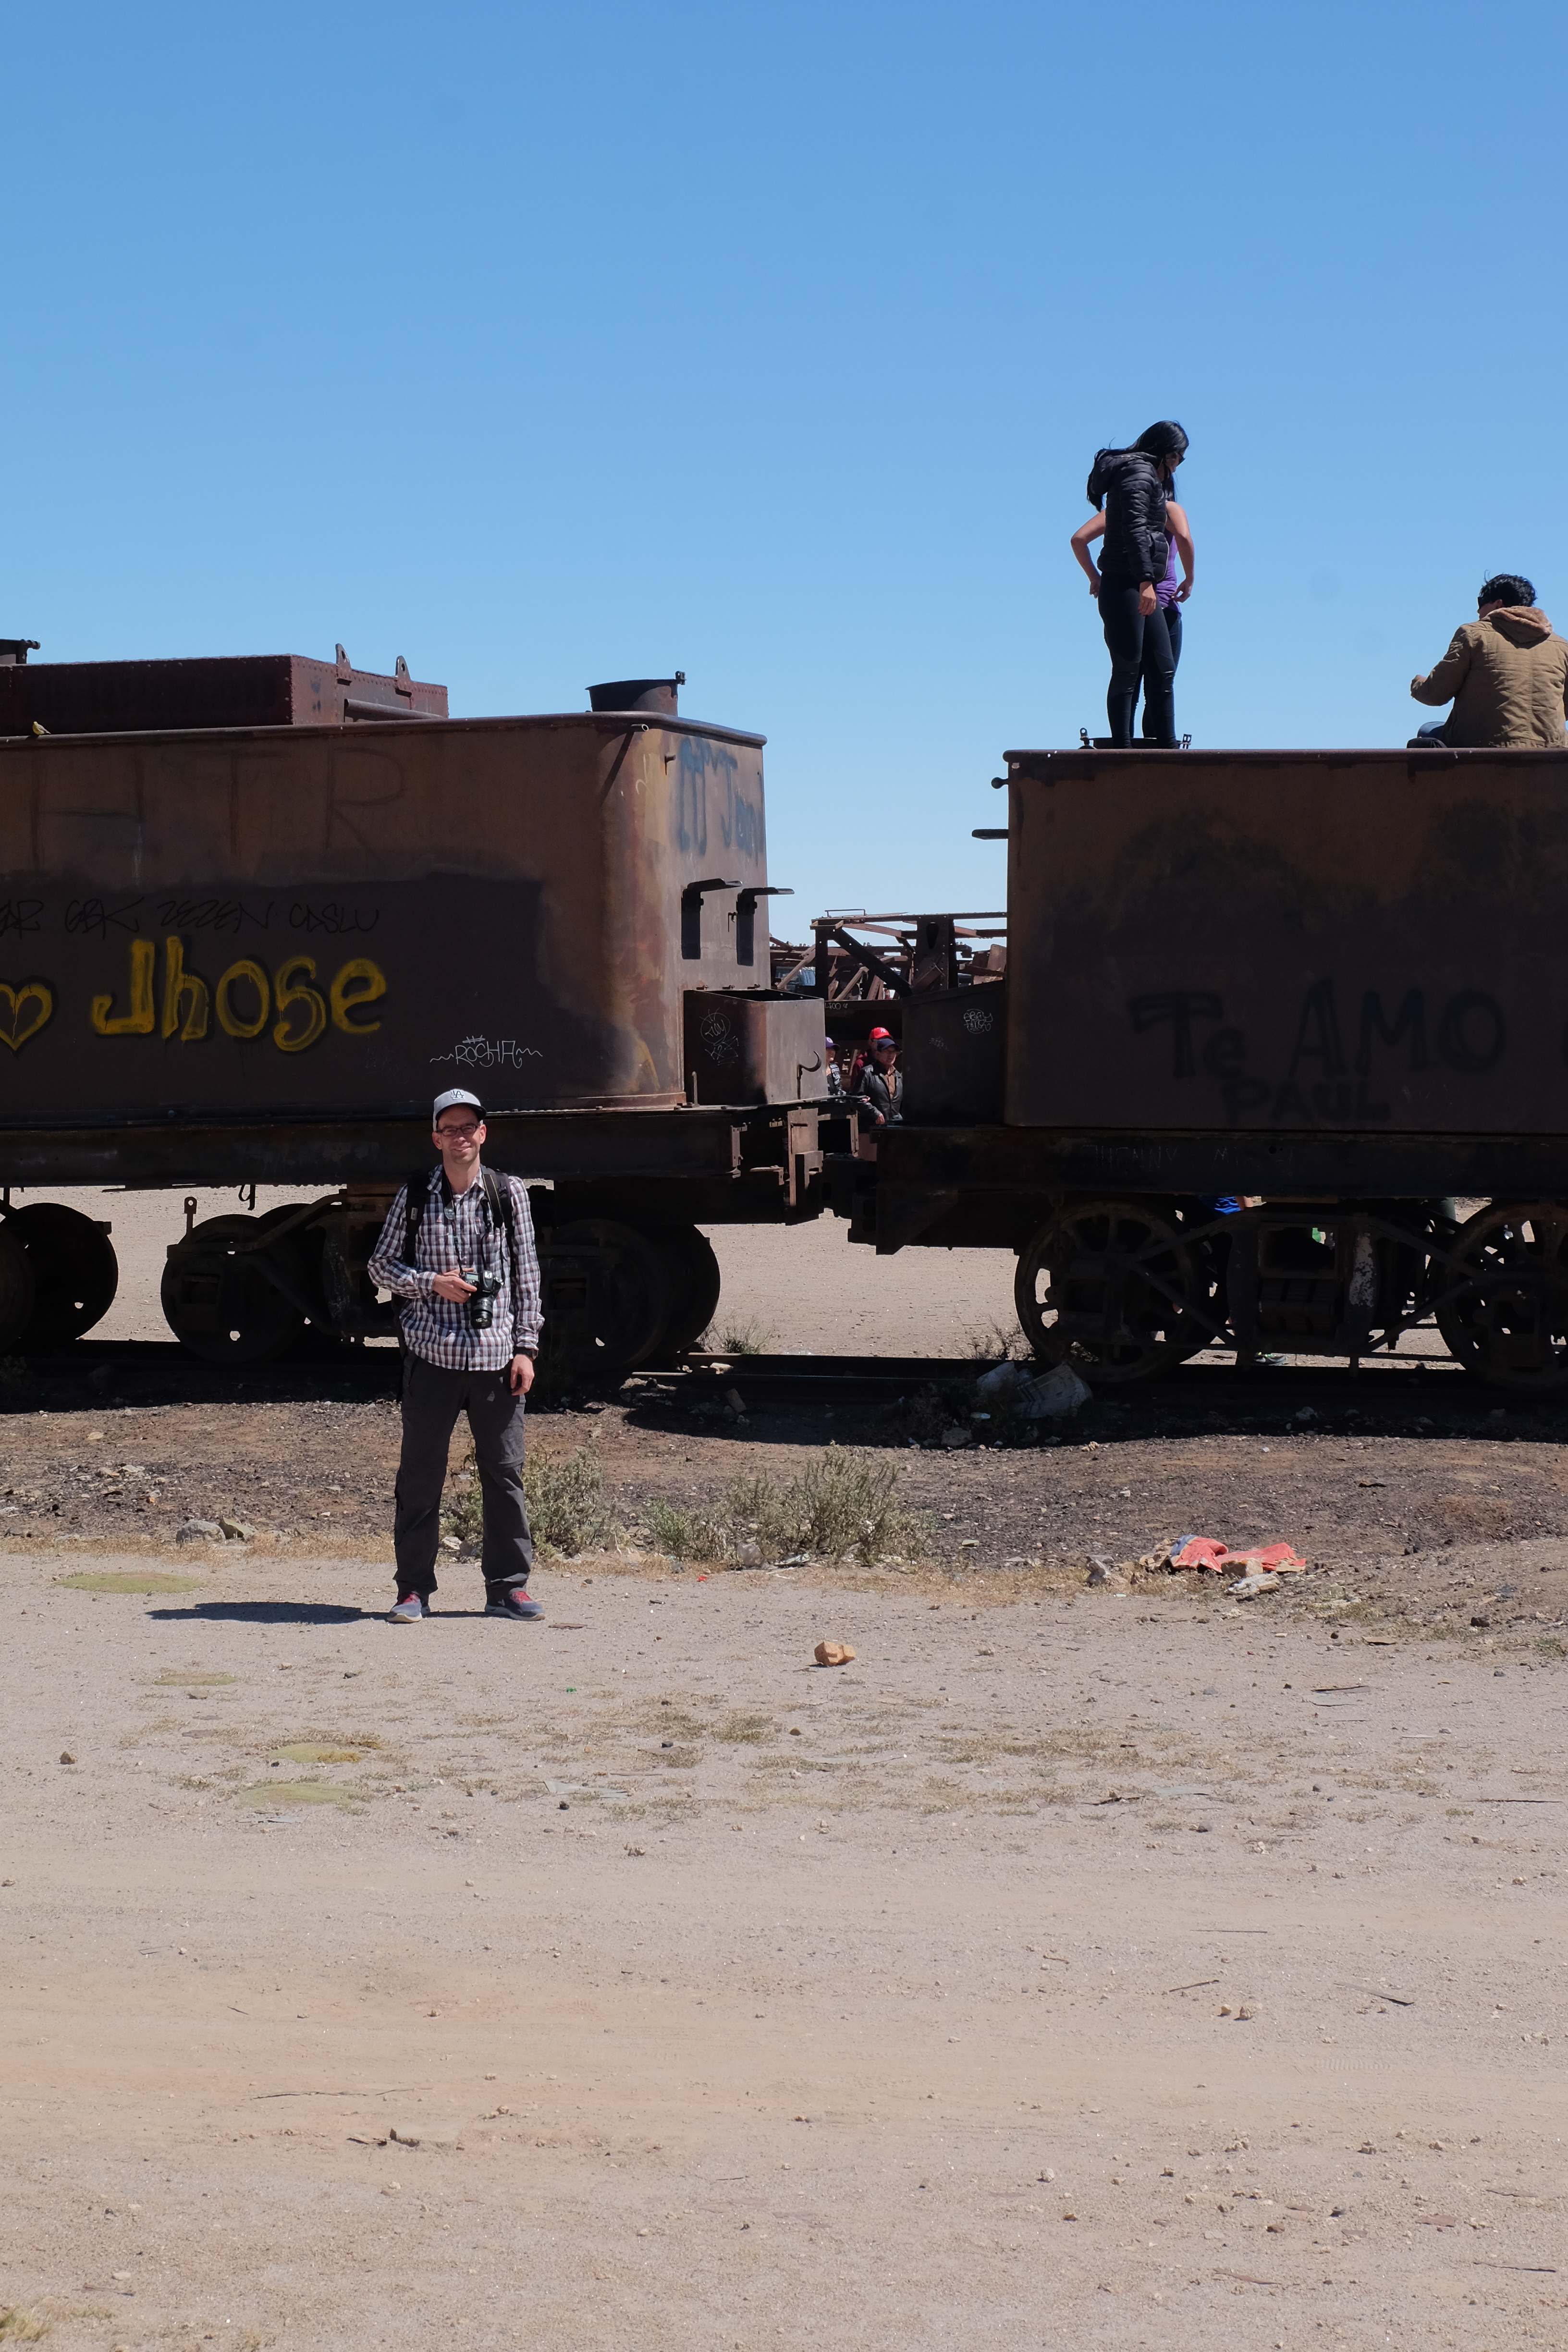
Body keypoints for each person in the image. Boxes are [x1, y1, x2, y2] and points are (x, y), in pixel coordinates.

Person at [368, 1088, 544, 1624]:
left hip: (496, 1360)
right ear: (436, 1138)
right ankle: (413, 1591)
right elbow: (379, 1267)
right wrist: (431, 1282)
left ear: (483, 1134)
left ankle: (508, 1589)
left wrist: (526, 1348)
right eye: (450, 1129)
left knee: (505, 1477)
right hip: (432, 1358)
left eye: (469, 1127)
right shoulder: (416, 1195)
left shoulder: (509, 1194)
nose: (460, 1137)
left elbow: (527, 1276)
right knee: (420, 1478)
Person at [1080, 420, 1190, 748]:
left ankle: (1169, 750)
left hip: (1140, 584)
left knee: (1163, 669)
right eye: (1177, 457)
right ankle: (1124, 752)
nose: (1177, 466)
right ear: (1164, 453)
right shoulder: (1139, 475)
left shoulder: (1144, 477)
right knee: (1128, 670)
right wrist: (1145, 581)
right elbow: (1135, 531)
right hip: (1125, 584)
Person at [1072, 492, 1194, 741]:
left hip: (1129, 602)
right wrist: (1190, 579)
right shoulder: (1168, 508)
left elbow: (1079, 539)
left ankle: (1127, 747)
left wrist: (1096, 577)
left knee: (1131, 679)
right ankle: (1156, 748)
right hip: (1164, 603)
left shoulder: (1121, 509)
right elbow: (1183, 537)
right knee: (1159, 683)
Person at [1409, 574, 1568, 749]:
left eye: (1481, 603)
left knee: (1427, 730)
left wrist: (1417, 684)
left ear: (1498, 605)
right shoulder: (1561, 646)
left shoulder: (1474, 635)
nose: (1478, 612)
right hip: (1552, 751)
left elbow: (1435, 694)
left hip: (1482, 746)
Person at [852, 1026, 903, 1125]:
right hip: (872, 1126)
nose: (891, 1055)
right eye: (887, 1051)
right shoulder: (867, 1072)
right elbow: (857, 1099)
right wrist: (875, 1113)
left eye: (893, 1052)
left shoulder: (898, 1076)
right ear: (878, 1054)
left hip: (894, 1126)